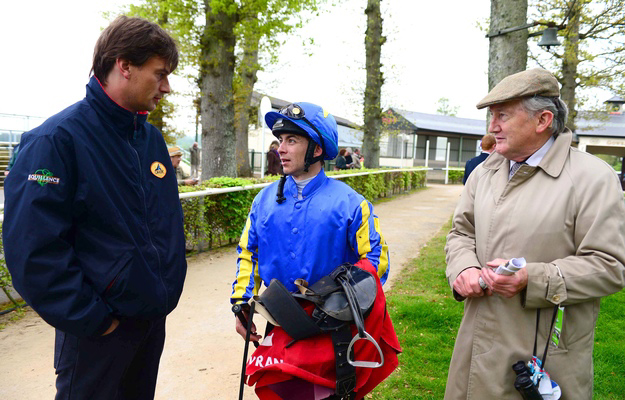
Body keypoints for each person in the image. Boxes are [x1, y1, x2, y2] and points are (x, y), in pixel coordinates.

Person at [2, 16, 188, 400]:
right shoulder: (56, 140)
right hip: (97, 331)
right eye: (160, 74)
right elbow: (32, 248)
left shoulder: (150, 140)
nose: (166, 87)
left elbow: (163, 225)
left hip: (149, 323)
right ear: (124, 65)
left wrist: (163, 292)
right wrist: (92, 319)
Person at [444, 68, 625, 399]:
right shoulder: (485, 172)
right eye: (491, 116)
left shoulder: (593, 179)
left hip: (543, 356)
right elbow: (461, 233)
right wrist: (463, 268)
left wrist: (534, 279)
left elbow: (611, 266)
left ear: (542, 120)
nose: (492, 126)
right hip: (475, 349)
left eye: (503, 115)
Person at [230, 102, 400, 399]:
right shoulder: (262, 201)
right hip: (281, 322)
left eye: (291, 140)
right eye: (281, 140)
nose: (281, 148)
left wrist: (335, 302)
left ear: (317, 150)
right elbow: (249, 253)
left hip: (333, 331)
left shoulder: (351, 203)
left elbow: (376, 262)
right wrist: (241, 304)